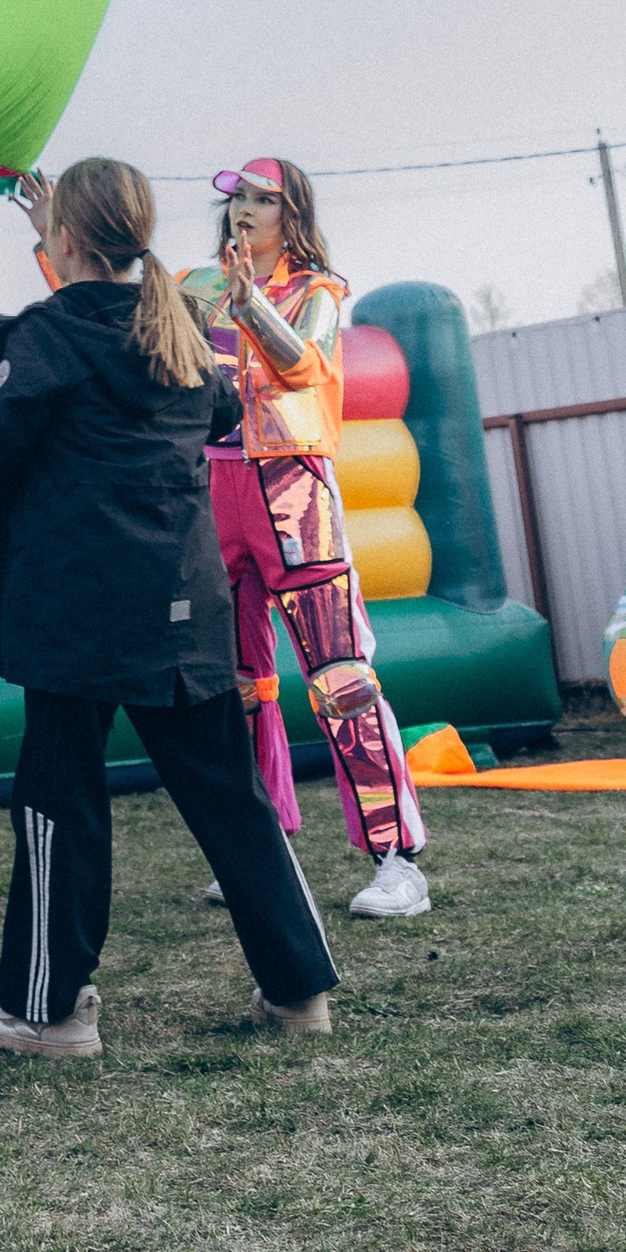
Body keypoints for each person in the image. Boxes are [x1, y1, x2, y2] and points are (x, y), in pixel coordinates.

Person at [0, 161, 340, 1056]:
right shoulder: (181, 328)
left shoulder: (46, 338)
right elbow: (219, 407)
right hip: (183, 606)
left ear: (65, 240)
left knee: (59, 806)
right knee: (232, 800)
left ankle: (49, 1013)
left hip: (73, 616)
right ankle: (299, 991)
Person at [180, 158, 430, 922]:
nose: (244, 212)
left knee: (340, 677)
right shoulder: (196, 287)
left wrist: (253, 306)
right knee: (235, 686)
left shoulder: (316, 291)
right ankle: (261, 848)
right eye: (237, 200)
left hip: (294, 493)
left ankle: (396, 858)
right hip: (214, 491)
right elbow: (140, 342)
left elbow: (305, 366)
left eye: (262, 200)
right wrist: (56, 250)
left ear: (292, 214)